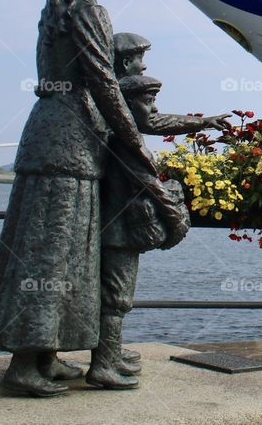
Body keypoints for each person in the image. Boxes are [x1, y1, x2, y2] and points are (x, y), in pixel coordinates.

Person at [0, 0, 166, 397]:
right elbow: (104, 83)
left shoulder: (54, 11)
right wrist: (135, 143)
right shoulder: (89, 11)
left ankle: (45, 353)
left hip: (50, 134)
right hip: (73, 141)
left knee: (48, 248)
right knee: (53, 252)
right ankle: (25, 363)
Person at [89, 74, 190, 389]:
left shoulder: (121, 136)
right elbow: (150, 184)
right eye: (147, 102)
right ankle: (103, 365)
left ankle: (110, 355)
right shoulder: (125, 141)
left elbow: (158, 127)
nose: (153, 108)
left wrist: (203, 123)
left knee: (116, 298)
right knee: (116, 299)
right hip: (118, 234)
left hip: (117, 231)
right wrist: (175, 220)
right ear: (128, 105)